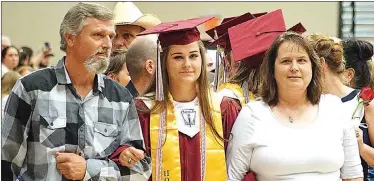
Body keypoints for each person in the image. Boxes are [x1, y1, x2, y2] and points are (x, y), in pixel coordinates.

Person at [1, 3, 151, 181]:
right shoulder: (31, 88)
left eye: (110, 36)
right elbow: (6, 163)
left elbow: (141, 170)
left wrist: (89, 169)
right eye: (98, 35)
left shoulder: (120, 97)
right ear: (70, 38)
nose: (108, 44)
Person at [110, 16, 242, 181]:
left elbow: (238, 166)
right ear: (163, 62)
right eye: (178, 57)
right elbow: (121, 155)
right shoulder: (143, 110)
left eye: (193, 56)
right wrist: (124, 155)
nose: (187, 64)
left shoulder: (224, 108)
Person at [226, 31, 364, 181]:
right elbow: (231, 176)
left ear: (314, 67)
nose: (294, 67)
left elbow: (353, 175)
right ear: (272, 70)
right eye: (286, 61)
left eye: (302, 60)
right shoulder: (253, 114)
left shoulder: (335, 108)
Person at [309, 35, 374, 180]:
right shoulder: (309, 104)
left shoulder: (366, 103)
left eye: (304, 62)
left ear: (321, 65)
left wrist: (361, 147)